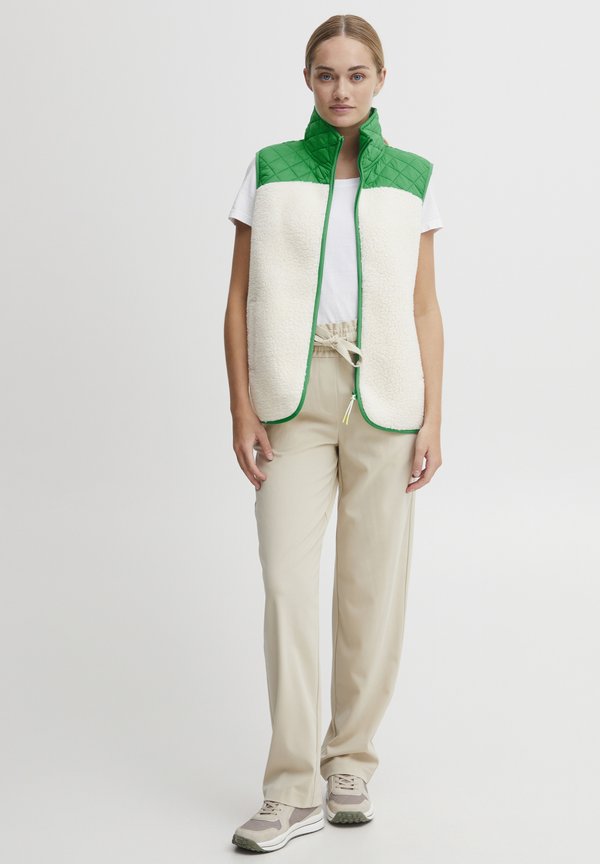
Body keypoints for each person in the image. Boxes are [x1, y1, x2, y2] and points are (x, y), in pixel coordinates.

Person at [224, 13, 444, 853]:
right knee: (287, 583)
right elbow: (238, 298)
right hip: (292, 398)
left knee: (369, 590)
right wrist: (242, 408)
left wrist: (433, 416)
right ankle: (289, 789)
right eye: (326, 74)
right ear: (308, 80)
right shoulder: (270, 169)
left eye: (356, 74)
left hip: (386, 398)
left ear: (380, 79)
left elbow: (424, 308)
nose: (341, 89)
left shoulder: (412, 177)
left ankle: (349, 763)